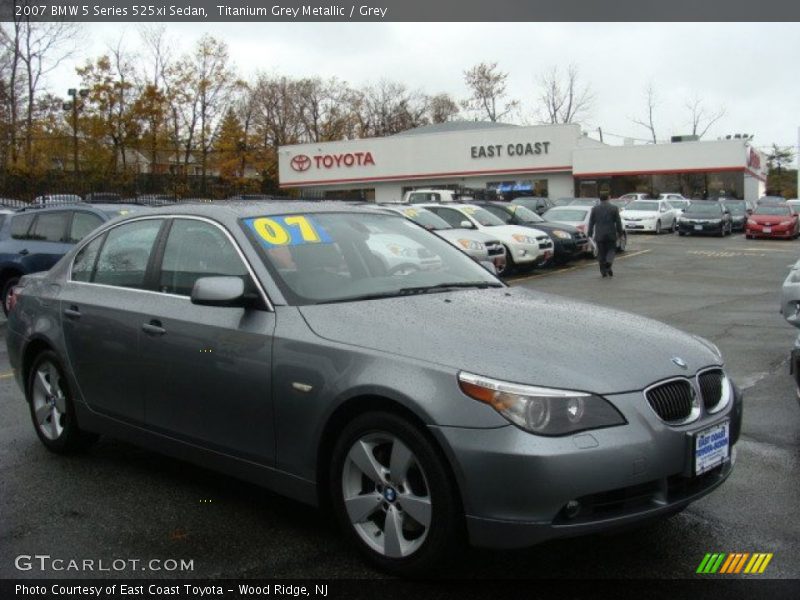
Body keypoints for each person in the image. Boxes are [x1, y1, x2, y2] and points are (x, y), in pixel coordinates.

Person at [587, 193, 624, 278]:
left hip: (599, 234)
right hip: (611, 233)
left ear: (600, 199)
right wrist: (620, 233)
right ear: (608, 198)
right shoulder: (614, 208)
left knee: (601, 253)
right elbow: (618, 222)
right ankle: (609, 263)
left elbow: (591, 222)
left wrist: (589, 234)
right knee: (611, 250)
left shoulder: (595, 209)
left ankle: (603, 271)